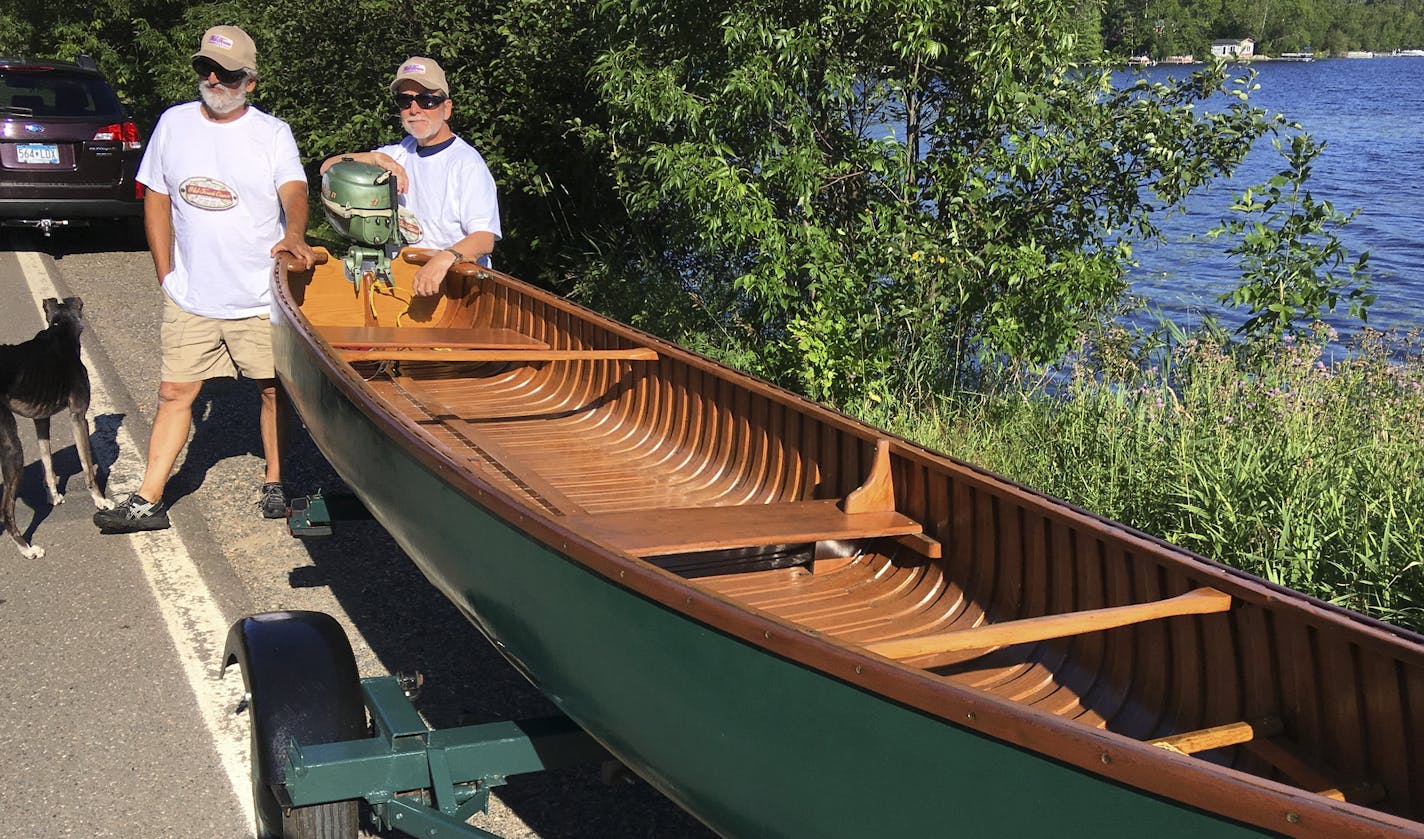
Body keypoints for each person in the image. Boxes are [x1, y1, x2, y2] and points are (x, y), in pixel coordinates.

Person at [94, 25, 314, 534]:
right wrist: (164, 270)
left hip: (259, 295)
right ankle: (149, 498)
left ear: (250, 81)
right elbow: (156, 193)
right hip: (192, 294)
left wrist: (295, 233)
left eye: (227, 72)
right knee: (174, 392)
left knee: (271, 390)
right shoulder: (174, 123)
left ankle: (275, 480)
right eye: (205, 68)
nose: (213, 79)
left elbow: (294, 190)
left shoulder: (271, 133)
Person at [320, 56, 500, 297]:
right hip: (402, 284)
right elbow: (327, 167)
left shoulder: (466, 163)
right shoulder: (397, 153)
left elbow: (484, 238)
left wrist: (442, 260)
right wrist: (377, 159)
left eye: (427, 100)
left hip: (455, 288)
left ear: (446, 108)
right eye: (405, 100)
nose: (415, 109)